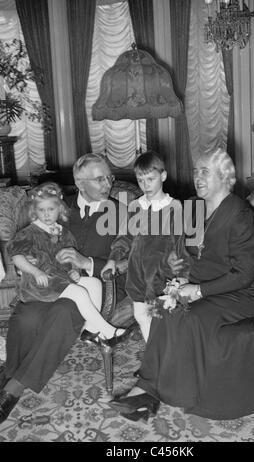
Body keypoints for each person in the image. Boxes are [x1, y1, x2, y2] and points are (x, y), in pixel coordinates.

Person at [109, 148, 254, 422]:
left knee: (189, 316)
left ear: (225, 176)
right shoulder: (199, 209)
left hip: (242, 294)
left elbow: (243, 273)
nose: (197, 177)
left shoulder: (240, 215)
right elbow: (195, 256)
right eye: (195, 171)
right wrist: (184, 279)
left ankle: (156, 391)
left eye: (204, 171)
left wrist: (199, 290)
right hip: (208, 285)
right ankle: (148, 389)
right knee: (162, 308)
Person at [0, 153, 131, 424]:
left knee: (64, 312)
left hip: (96, 285)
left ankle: (12, 391)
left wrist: (87, 262)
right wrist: (34, 261)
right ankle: (11, 372)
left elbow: (124, 256)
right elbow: (29, 238)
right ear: (80, 183)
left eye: (109, 177)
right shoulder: (57, 207)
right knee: (27, 316)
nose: (108, 183)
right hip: (53, 282)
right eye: (99, 179)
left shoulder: (120, 212)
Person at [7, 181, 126, 342]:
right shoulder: (29, 232)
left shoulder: (65, 233)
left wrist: (74, 271)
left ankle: (91, 330)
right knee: (79, 292)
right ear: (35, 211)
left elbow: (72, 260)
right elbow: (16, 256)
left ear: (60, 209)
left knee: (94, 283)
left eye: (51, 209)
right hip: (41, 282)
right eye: (42, 210)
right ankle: (107, 331)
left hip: (60, 278)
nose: (46, 214)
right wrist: (36, 271)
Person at [101, 151, 190, 342]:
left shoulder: (174, 207)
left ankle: (165, 361)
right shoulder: (135, 206)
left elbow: (180, 245)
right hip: (137, 276)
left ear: (163, 176)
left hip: (162, 276)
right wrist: (112, 259)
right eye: (141, 180)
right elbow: (124, 237)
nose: (145, 185)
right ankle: (153, 358)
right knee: (142, 316)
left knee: (161, 320)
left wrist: (181, 277)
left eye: (150, 179)